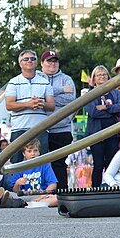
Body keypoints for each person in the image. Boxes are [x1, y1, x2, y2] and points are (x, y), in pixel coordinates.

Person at [5, 50, 55, 163]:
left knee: (42, 164)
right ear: (20, 63)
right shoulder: (13, 82)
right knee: (16, 163)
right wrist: (28, 104)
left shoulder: (45, 82)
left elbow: (52, 105)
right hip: (19, 128)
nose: (29, 61)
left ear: (36, 62)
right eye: (26, 59)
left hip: (40, 129)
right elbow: (9, 105)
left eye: (33, 59)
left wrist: (42, 104)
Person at [37, 50, 76, 189]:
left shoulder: (67, 79)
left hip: (62, 129)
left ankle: (62, 194)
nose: (52, 64)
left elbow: (71, 100)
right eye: (49, 61)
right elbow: (37, 96)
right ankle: (42, 195)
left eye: (55, 61)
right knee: (40, 164)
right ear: (42, 63)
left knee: (59, 163)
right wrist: (61, 90)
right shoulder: (36, 77)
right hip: (40, 130)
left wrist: (48, 98)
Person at [85, 65, 120, 187]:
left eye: (104, 74)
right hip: (96, 134)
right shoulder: (90, 94)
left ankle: (111, 187)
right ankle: (96, 189)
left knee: (111, 163)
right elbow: (93, 112)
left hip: (113, 134)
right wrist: (112, 112)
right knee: (98, 164)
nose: (102, 76)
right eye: (99, 75)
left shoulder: (115, 93)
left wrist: (106, 107)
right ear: (94, 79)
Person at [11, 138, 58, 207]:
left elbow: (53, 184)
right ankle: (33, 204)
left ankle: (31, 204)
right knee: (10, 195)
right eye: (29, 151)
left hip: (41, 195)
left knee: (57, 198)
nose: (33, 154)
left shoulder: (44, 165)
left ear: (39, 152)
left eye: (35, 151)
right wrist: (17, 183)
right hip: (24, 196)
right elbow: (15, 190)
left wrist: (42, 196)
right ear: (24, 153)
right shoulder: (19, 167)